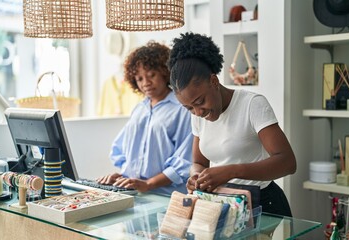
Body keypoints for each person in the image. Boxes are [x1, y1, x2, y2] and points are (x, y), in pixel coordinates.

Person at [167, 32, 296, 217]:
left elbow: (288, 163)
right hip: (224, 204)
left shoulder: (252, 104)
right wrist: (197, 176)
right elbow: (199, 162)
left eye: (200, 101)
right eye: (189, 108)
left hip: (264, 205)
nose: (198, 112)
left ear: (214, 81)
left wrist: (231, 171)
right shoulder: (198, 115)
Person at [96, 41, 193, 196]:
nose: (146, 83)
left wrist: (148, 184)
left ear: (165, 72)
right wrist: (124, 177)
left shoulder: (182, 109)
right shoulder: (139, 109)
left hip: (166, 196)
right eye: (139, 78)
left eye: (151, 75)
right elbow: (120, 150)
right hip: (136, 193)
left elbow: (185, 161)